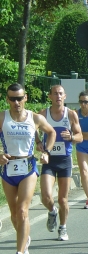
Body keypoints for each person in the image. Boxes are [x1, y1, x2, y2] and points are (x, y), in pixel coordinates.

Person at [0, 83, 56, 254]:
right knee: (14, 214)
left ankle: (21, 251)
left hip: (28, 166)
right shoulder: (2, 117)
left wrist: (46, 151)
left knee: (23, 210)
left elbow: (52, 132)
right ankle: (25, 238)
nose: (16, 102)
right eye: (12, 99)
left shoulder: (35, 118)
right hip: (8, 168)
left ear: (25, 98)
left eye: (19, 98)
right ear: (7, 99)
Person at [36, 85, 83, 241]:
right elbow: (32, 128)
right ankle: (51, 210)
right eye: (55, 94)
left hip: (65, 160)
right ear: (50, 96)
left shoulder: (71, 115)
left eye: (60, 94)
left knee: (63, 199)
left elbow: (80, 136)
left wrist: (71, 137)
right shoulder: (43, 114)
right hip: (49, 159)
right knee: (45, 196)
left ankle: (63, 228)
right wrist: (38, 142)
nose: (58, 96)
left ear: (65, 96)